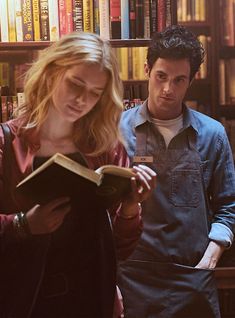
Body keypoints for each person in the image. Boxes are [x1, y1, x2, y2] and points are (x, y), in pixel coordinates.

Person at [0, 32, 157, 318]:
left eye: (95, 93)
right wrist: (23, 225)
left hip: (90, 296)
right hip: (23, 299)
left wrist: (132, 207)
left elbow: (120, 249)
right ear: (52, 72)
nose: (83, 100)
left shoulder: (104, 147)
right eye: (76, 84)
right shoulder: (7, 141)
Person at [118, 25, 235, 318]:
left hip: (192, 277)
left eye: (179, 80)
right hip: (132, 277)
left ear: (191, 80)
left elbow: (228, 206)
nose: (168, 89)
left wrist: (210, 259)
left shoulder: (213, 134)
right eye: (161, 77)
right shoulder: (115, 131)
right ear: (147, 69)